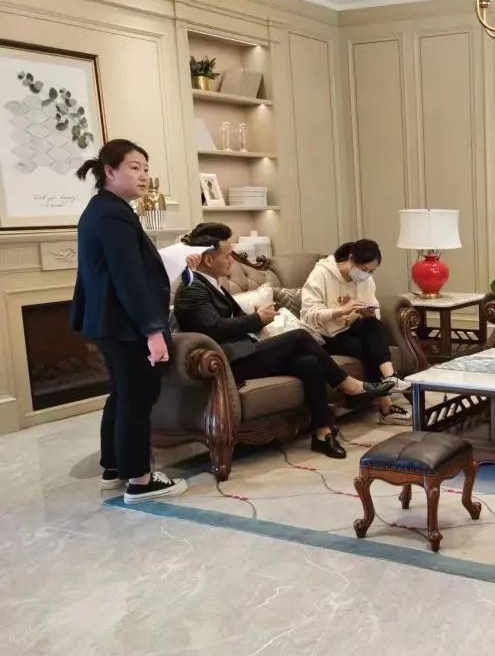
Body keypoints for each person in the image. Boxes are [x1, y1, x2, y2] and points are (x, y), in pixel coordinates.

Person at [173, 223, 393, 459]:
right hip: (228, 364)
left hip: (244, 351)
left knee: (309, 363)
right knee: (300, 337)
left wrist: (257, 318)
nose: (232, 261)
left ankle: (322, 433)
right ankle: (348, 384)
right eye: (228, 256)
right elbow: (214, 328)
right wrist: (256, 319)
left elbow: (228, 321)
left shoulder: (212, 284)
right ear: (208, 260)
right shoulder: (192, 289)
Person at [71, 139, 188, 504]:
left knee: (122, 395)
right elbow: (129, 278)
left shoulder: (101, 209)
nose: (143, 176)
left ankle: (114, 468)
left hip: (110, 322)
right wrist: (153, 330)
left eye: (146, 168)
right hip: (126, 325)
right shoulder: (114, 215)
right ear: (110, 171)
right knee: (137, 399)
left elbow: (124, 270)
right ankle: (139, 481)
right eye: (135, 168)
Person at [300, 240, 411, 426]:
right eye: (364, 270)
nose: (366, 275)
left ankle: (391, 377)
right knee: (364, 347)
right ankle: (386, 406)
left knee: (373, 324)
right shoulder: (321, 274)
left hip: (350, 328)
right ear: (351, 259)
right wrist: (341, 311)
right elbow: (309, 316)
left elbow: (373, 309)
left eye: (372, 272)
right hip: (324, 336)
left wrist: (362, 314)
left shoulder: (366, 279)